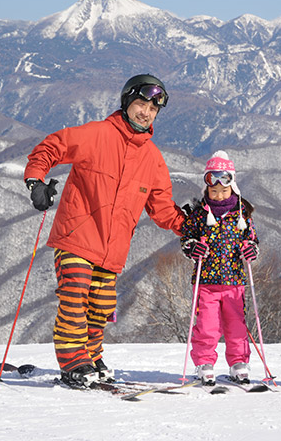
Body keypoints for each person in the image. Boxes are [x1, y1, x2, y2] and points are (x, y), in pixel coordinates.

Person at [23, 74, 186, 389]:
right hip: (77, 237)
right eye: (141, 104)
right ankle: (74, 362)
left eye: (153, 109)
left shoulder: (153, 160)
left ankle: (91, 355)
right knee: (75, 295)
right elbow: (50, 148)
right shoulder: (96, 134)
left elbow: (163, 209)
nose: (146, 112)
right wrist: (36, 180)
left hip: (113, 250)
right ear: (127, 102)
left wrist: (190, 227)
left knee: (100, 306)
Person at [180, 151, 259, 386]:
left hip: (234, 281)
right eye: (213, 191)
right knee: (207, 326)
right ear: (207, 190)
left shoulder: (241, 214)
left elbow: (252, 239)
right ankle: (204, 362)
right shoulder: (199, 215)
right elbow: (186, 240)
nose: (218, 194)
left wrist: (251, 249)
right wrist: (192, 248)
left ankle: (239, 363)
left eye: (224, 190)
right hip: (206, 282)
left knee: (236, 326)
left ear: (232, 187)